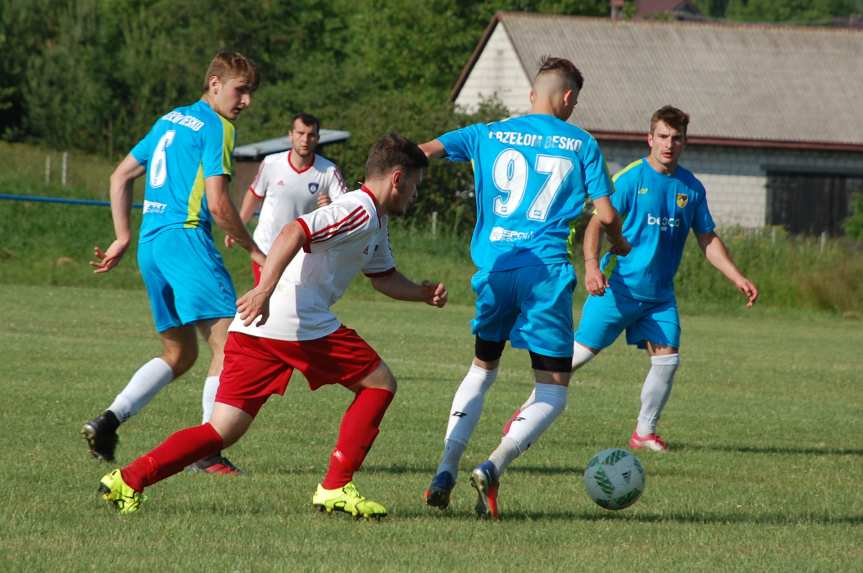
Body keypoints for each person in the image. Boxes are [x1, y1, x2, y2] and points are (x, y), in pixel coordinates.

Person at [97, 133, 448, 519]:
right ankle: (335, 486)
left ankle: (128, 479)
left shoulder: (375, 221)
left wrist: (421, 293)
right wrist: (264, 289)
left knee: (222, 430)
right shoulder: (357, 209)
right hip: (295, 320)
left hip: (257, 328)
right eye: (415, 185)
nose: (415, 195)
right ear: (397, 178)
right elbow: (293, 231)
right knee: (380, 384)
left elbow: (381, 276)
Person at [420, 56, 630, 519]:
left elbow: (422, 152)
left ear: (533, 94)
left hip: (495, 270)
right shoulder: (581, 143)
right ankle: (492, 466)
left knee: (482, 368)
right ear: (569, 97)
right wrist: (619, 242)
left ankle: (445, 468)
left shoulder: (487, 133)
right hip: (545, 274)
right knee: (553, 391)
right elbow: (608, 215)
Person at [511, 105, 757, 453]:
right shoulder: (631, 178)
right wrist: (592, 267)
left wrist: (737, 276)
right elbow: (597, 223)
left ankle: (644, 433)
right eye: (662, 137)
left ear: (685, 142)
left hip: (659, 296)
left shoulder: (692, 188)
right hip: (619, 288)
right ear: (649, 138)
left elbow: (707, 238)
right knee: (574, 358)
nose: (669, 144)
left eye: (676, 138)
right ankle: (524, 416)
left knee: (668, 359)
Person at [83, 51, 265, 476]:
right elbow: (219, 204)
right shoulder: (218, 127)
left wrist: (123, 234)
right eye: (241, 91)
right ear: (215, 84)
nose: (246, 102)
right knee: (228, 342)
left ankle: (108, 421)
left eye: (251, 93)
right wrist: (255, 250)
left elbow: (120, 175)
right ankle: (206, 452)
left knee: (179, 353)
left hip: (151, 243)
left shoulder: (170, 119)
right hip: (186, 239)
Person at [230, 112, 348, 285]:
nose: (305, 140)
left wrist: (331, 207)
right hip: (266, 247)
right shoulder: (271, 163)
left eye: (311, 135)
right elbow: (254, 194)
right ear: (290, 135)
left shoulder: (329, 171)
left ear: (317, 138)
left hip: (301, 251)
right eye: (300, 133)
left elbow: (346, 208)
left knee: (295, 305)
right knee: (265, 301)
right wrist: (237, 227)